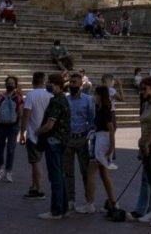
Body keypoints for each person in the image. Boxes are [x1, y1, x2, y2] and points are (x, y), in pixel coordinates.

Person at [62, 70, 100, 214]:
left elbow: (92, 119)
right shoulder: (65, 99)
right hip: (68, 138)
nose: (72, 84)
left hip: (82, 138)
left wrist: (90, 135)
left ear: (81, 84)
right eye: (70, 82)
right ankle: (70, 199)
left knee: (85, 171)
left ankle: (88, 200)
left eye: (74, 82)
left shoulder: (88, 99)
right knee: (68, 171)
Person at [35, 72, 72, 220]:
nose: (48, 85)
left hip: (54, 140)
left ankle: (56, 210)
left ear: (57, 84)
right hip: (62, 140)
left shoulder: (57, 101)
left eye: (50, 82)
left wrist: (39, 131)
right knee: (60, 175)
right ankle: (63, 207)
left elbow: (50, 124)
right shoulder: (63, 99)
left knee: (55, 176)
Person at [131, 76, 151, 223]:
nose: (142, 91)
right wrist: (141, 146)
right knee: (149, 178)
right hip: (144, 145)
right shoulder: (145, 105)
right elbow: (143, 127)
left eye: (145, 88)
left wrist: (147, 144)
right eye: (140, 89)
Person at [19, 71, 51, 201]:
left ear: (33, 81)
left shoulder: (31, 95)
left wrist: (22, 132)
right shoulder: (49, 95)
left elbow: (26, 115)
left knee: (35, 162)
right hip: (46, 132)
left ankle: (39, 189)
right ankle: (33, 186)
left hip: (34, 133)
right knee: (35, 162)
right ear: (43, 81)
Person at [91, 86, 119, 213]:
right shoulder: (100, 108)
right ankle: (112, 201)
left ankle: (111, 201)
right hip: (101, 139)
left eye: (95, 94)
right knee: (103, 173)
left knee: (94, 170)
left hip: (104, 140)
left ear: (100, 96)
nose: (94, 97)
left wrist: (111, 147)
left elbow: (111, 128)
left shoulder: (105, 110)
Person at [0, 75, 23, 183]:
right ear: (5, 84)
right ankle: (0, 169)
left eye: (12, 83)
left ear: (15, 85)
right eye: (8, 82)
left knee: (11, 149)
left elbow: (20, 112)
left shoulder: (18, 97)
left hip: (12, 127)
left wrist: (18, 126)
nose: (10, 84)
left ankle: (8, 171)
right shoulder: (0, 96)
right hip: (0, 126)